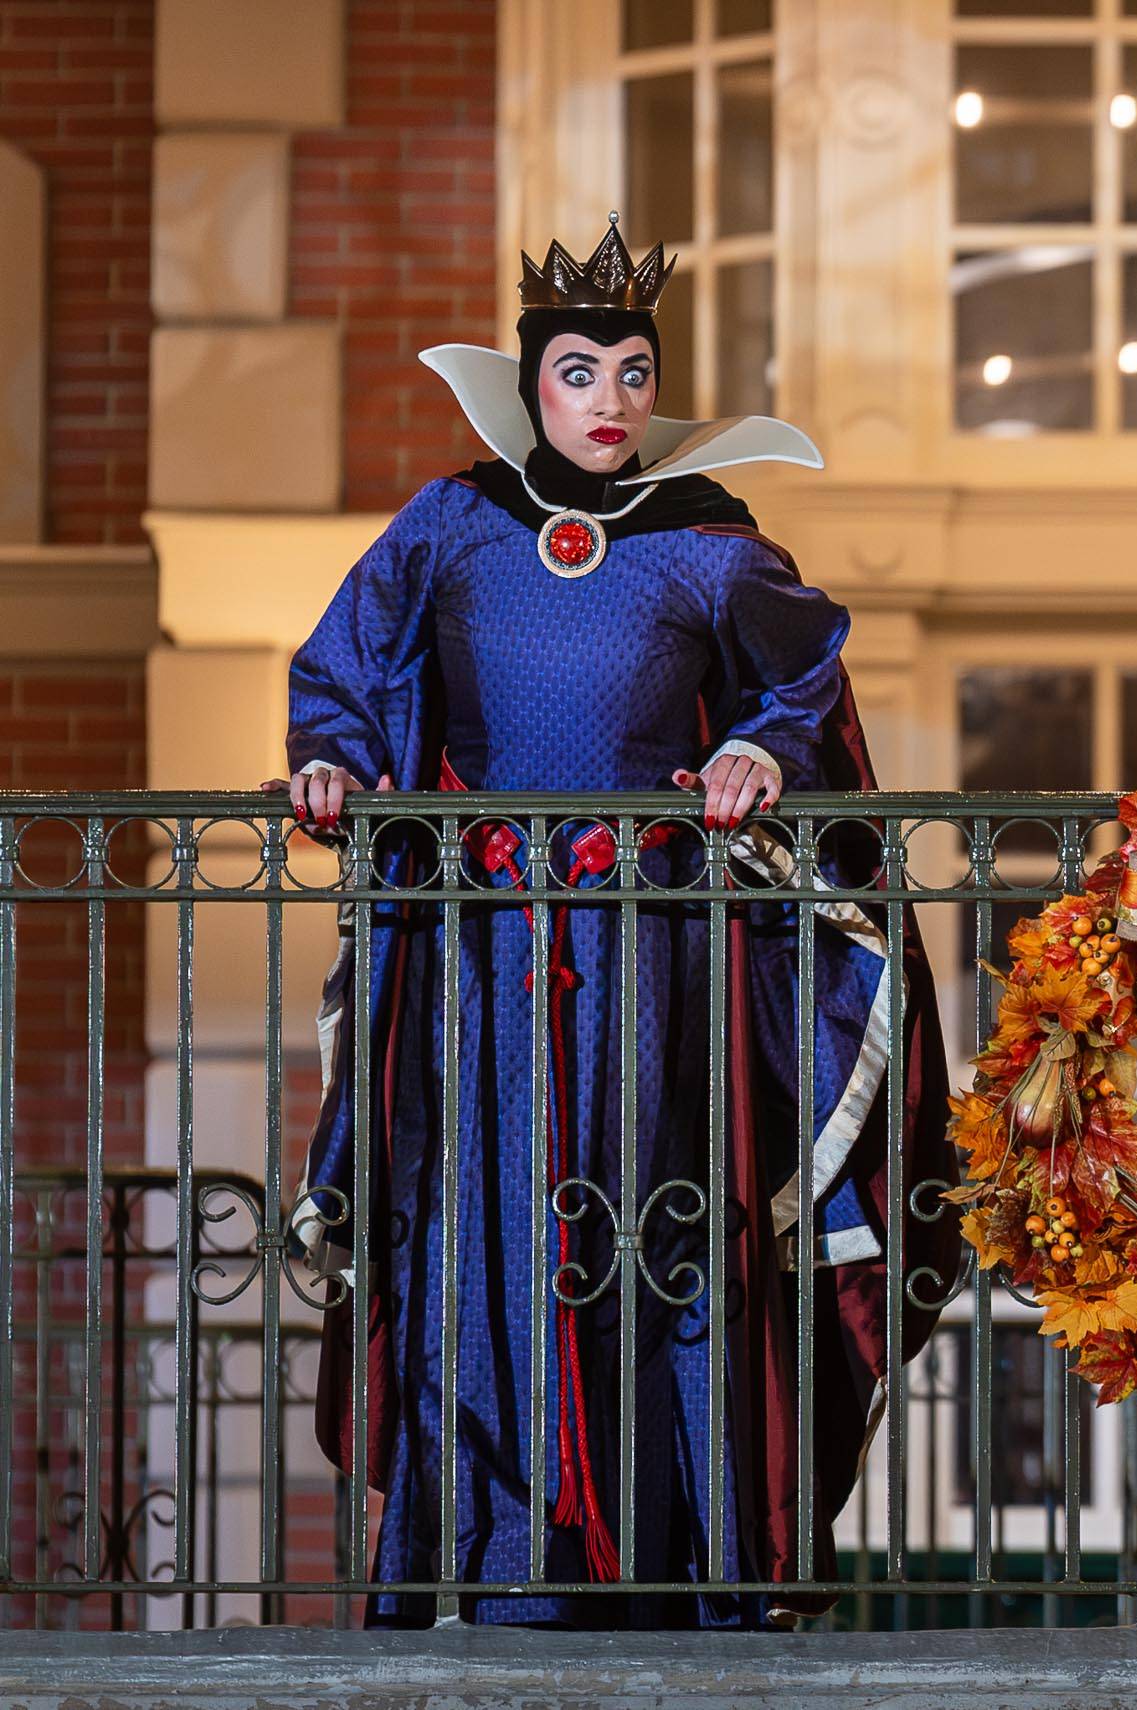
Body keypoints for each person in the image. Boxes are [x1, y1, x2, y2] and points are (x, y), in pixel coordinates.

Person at [275, 215, 953, 1628]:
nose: (611, 402)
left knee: (666, 1216)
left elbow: (805, 673)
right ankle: (497, 1561)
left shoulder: (710, 544)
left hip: (662, 951)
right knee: (489, 1219)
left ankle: (686, 1558)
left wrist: (763, 743)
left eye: (634, 374)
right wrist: (331, 753)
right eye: (582, 371)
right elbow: (345, 666)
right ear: (534, 385)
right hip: (485, 943)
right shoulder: (449, 525)